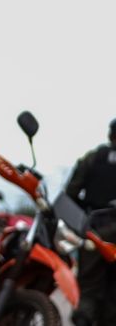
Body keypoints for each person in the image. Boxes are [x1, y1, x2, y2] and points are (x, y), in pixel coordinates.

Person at [67, 119, 116, 326]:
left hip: (97, 232)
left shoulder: (93, 158)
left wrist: (83, 217)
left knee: (88, 288)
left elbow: (71, 192)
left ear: (110, 135)